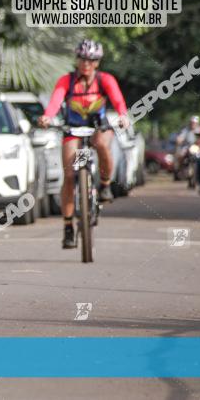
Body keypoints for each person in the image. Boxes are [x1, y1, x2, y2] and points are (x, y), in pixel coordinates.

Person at [38, 39, 129, 249]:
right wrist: (47, 117)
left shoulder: (105, 79)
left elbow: (118, 100)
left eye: (91, 60)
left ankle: (105, 185)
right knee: (69, 176)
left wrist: (123, 116)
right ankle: (68, 226)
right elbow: (54, 102)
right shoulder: (66, 81)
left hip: (98, 127)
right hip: (73, 129)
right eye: (82, 59)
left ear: (97, 62)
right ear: (77, 60)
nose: (86, 64)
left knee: (102, 144)